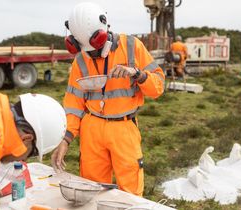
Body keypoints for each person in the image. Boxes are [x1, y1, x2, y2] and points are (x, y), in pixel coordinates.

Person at [51, 2, 165, 196]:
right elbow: (73, 103)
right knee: (90, 190)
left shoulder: (132, 46)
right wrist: (66, 139)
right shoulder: (80, 59)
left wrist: (138, 74)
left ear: (104, 31)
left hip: (124, 128)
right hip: (91, 129)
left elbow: (158, 86)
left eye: (95, 48)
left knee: (130, 194)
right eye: (87, 50)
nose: (92, 55)